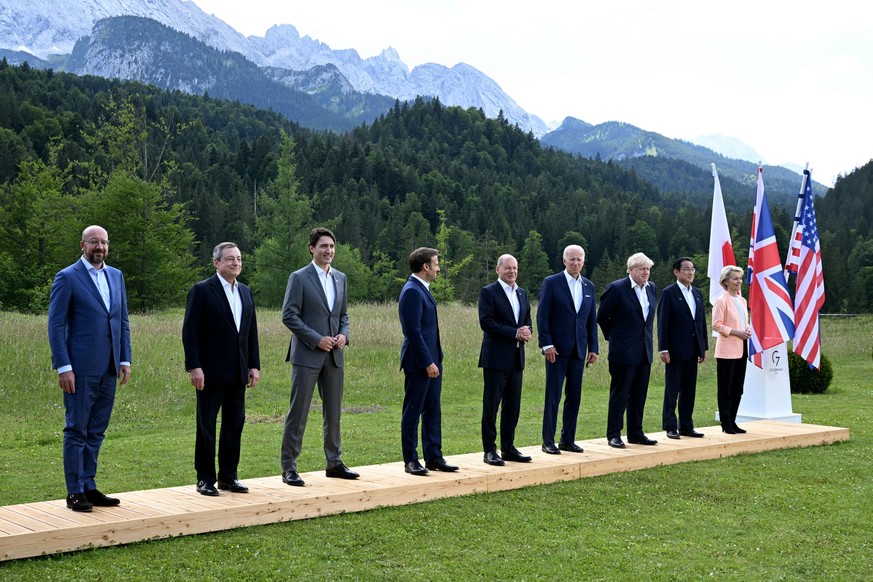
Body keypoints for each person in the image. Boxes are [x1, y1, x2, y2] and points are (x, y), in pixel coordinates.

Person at [48, 225, 132, 512]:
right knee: (77, 429)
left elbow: (121, 321)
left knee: (97, 430)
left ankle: (89, 485)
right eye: (94, 241)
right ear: (82, 245)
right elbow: (56, 325)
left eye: (104, 242)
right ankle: (74, 491)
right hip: (79, 368)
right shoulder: (67, 277)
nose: (100, 246)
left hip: (109, 366)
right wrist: (63, 366)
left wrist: (124, 359)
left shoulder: (116, 276)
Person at [280, 227, 358, 487]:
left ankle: (334, 462)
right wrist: (316, 338)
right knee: (298, 412)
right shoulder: (299, 278)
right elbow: (289, 315)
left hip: (334, 357)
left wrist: (344, 335)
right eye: (323, 246)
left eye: (332, 247)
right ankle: (289, 467)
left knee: (334, 412)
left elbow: (343, 315)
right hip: (307, 355)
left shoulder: (341, 278)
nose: (329, 251)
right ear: (312, 248)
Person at [182, 242, 260, 496]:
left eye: (238, 258)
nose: (236, 263)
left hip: (238, 372)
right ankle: (205, 478)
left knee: (234, 424)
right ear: (216, 263)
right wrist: (194, 367)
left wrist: (254, 366)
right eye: (230, 259)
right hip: (209, 373)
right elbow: (190, 332)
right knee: (206, 426)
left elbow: (251, 333)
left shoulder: (246, 292)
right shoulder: (202, 291)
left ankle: (229, 476)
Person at [398, 247, 458, 475]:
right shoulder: (412, 291)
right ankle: (411, 460)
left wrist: (436, 360)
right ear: (426, 267)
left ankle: (434, 456)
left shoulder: (422, 289)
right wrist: (427, 362)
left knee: (433, 410)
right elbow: (412, 331)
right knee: (413, 411)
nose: (438, 268)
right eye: (436, 263)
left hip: (433, 361)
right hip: (419, 363)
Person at [536, 245, 599, 455]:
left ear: (583, 261)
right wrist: (546, 344)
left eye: (579, 259)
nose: (576, 263)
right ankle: (548, 441)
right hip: (556, 350)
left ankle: (567, 439)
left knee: (574, 396)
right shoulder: (552, 283)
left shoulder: (589, 286)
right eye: (572, 259)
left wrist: (594, 348)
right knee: (553, 396)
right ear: (564, 261)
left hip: (579, 351)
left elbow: (591, 321)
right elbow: (542, 316)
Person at [477, 254, 533, 466]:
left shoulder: (522, 293)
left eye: (515, 268)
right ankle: (489, 450)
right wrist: (514, 333)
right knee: (491, 406)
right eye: (508, 268)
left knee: (513, 407)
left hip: (517, 358)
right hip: (495, 359)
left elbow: (526, 319)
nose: (512, 272)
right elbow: (486, 322)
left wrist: (528, 331)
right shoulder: (488, 292)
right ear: (498, 270)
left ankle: (508, 448)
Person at [598, 252, 658, 449]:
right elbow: (602, 317)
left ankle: (636, 432)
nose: (646, 272)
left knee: (639, 394)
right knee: (620, 394)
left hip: (644, 351)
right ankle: (614, 434)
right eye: (642, 269)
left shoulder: (651, 288)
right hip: (623, 351)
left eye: (648, 269)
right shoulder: (617, 288)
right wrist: (615, 337)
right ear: (630, 269)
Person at [657, 257, 708, 439]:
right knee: (672, 389)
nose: (690, 272)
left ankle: (686, 425)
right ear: (676, 272)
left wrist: (703, 348)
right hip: (675, 350)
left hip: (693, 349)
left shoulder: (697, 293)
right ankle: (670, 426)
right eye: (686, 269)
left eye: (692, 269)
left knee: (689, 389)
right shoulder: (669, 293)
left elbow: (700, 322)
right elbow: (663, 323)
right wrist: (663, 348)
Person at [711, 265, 751, 434]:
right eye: (735, 278)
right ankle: (725, 423)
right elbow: (716, 325)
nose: (739, 281)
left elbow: (743, 321)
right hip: (727, 350)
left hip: (742, 348)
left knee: (737, 389)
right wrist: (736, 332)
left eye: (740, 278)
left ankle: (733, 421)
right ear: (725, 281)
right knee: (725, 389)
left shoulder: (742, 300)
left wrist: (747, 329)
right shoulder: (721, 300)